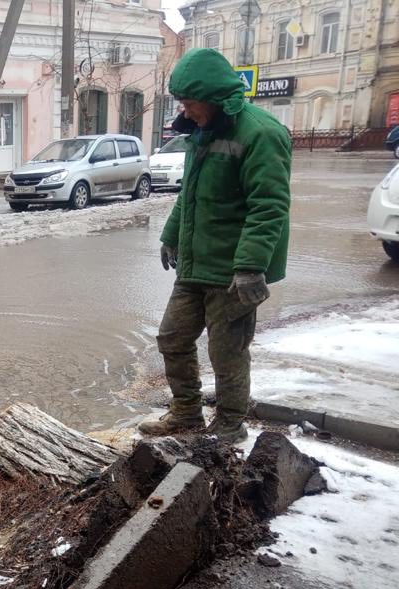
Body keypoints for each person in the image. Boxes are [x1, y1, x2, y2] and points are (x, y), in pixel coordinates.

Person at [139, 48, 292, 443]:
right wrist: (171, 236)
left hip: (233, 272)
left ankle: (229, 426)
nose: (186, 112)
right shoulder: (202, 132)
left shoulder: (261, 134)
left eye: (190, 104)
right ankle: (187, 413)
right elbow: (188, 195)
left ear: (214, 99)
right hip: (195, 264)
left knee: (227, 353)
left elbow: (269, 207)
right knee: (172, 338)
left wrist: (250, 265)